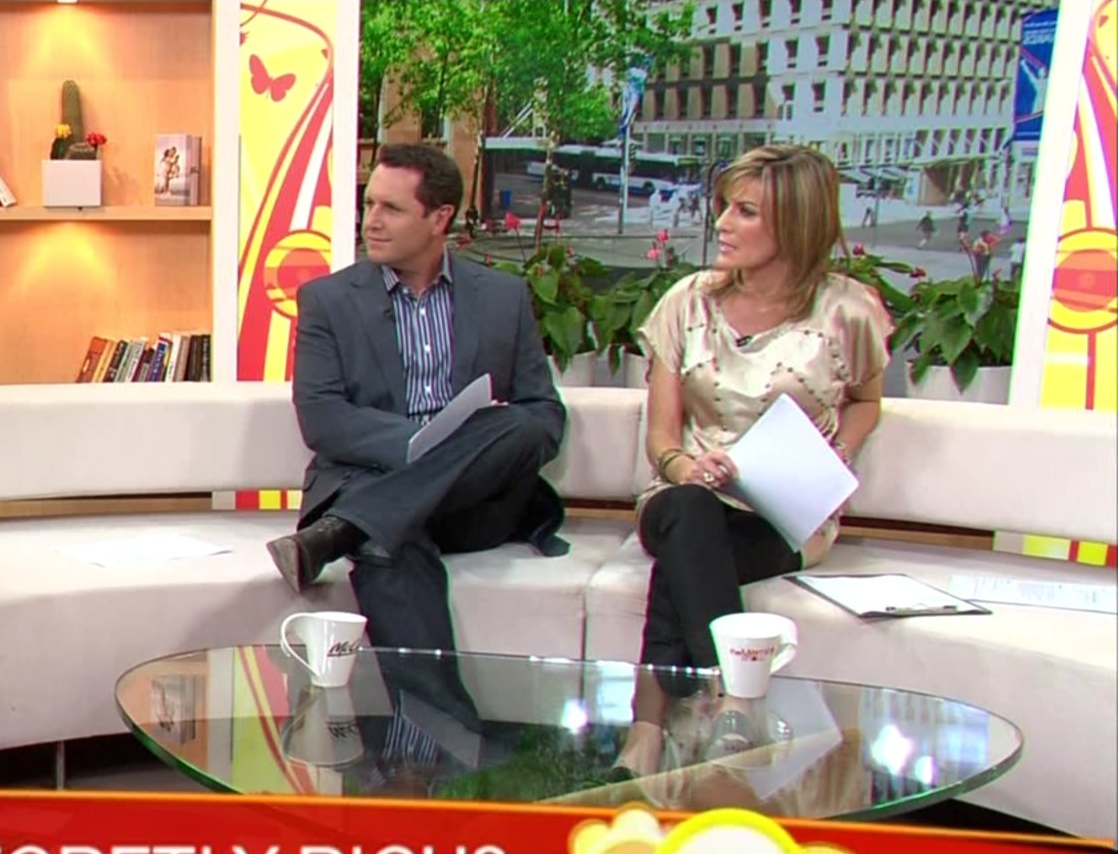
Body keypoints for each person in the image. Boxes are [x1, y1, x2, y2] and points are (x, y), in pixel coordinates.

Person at [267, 143, 569, 652]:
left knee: (518, 424)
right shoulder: (328, 301)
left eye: (391, 208)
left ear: (439, 218)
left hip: (474, 506)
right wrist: (427, 442)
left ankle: (346, 527)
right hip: (374, 477)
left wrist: (469, 440)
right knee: (387, 542)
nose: (371, 221)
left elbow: (545, 415)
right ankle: (436, 717)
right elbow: (322, 418)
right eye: (369, 204)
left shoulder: (503, 297)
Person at [633, 143, 890, 674]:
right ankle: (734, 693)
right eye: (725, 206)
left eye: (745, 212)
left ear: (796, 224)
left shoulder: (846, 310)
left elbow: (866, 402)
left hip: (784, 516)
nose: (722, 223)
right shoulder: (687, 302)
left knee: (687, 566)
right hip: (682, 498)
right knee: (692, 513)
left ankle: (663, 715)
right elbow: (661, 438)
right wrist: (688, 468)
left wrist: (840, 452)